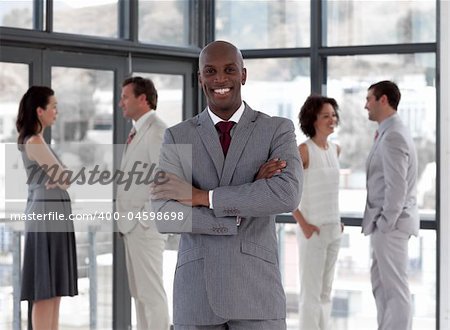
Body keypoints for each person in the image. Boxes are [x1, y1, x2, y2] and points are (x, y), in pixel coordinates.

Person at [151, 40, 302, 329]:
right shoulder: (177, 136)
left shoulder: (277, 130)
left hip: (257, 294)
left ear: (243, 75)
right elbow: (164, 215)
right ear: (200, 78)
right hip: (196, 296)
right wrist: (246, 201)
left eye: (229, 70)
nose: (220, 79)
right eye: (210, 71)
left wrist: (200, 196)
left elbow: (286, 195)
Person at [16, 86, 78, 330]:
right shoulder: (34, 141)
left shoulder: (39, 140)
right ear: (40, 111)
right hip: (45, 217)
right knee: (45, 289)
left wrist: (62, 176)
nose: (56, 111)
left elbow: (63, 178)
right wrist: (61, 176)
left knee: (54, 288)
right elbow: (64, 179)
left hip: (52, 215)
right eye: (53, 106)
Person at [362, 80, 419, 330]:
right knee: (382, 287)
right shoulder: (388, 131)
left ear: (383, 100)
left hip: (391, 226)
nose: (366, 106)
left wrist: (385, 225)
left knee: (395, 290)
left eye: (369, 99)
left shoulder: (394, 134)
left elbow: (397, 188)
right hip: (385, 225)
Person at [116, 76, 170, 330]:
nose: (120, 103)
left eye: (125, 97)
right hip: (132, 226)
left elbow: (166, 179)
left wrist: (145, 220)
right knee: (139, 296)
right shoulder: (137, 129)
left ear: (143, 99)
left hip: (145, 227)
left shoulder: (157, 131)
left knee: (151, 295)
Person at [292, 95, 342, 330]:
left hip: (333, 230)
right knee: (310, 295)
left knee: (326, 293)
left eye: (333, 115)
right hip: (312, 232)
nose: (332, 119)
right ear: (313, 120)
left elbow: (332, 191)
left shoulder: (336, 149)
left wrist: (338, 222)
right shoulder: (303, 151)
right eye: (326, 116)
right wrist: (304, 224)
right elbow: (286, 192)